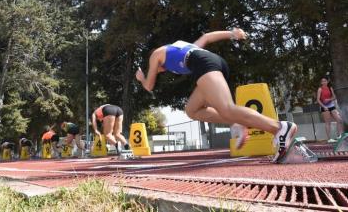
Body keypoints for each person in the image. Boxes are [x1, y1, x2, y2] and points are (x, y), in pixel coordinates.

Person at [135, 28, 298, 162]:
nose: (160, 71)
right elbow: (206, 37)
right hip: (212, 63)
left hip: (204, 65)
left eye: (157, 69)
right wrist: (232, 34)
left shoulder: (157, 54)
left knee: (227, 108)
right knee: (192, 110)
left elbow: (149, 86)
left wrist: (142, 78)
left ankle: (279, 128)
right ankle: (237, 122)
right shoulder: (182, 48)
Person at [316, 77, 343, 142]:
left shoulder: (330, 88)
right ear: (321, 83)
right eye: (322, 81)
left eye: (325, 81)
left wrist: (329, 99)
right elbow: (318, 100)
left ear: (327, 82)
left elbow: (334, 97)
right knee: (328, 122)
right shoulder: (320, 89)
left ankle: (339, 136)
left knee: (339, 120)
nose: (324, 82)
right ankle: (329, 139)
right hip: (324, 106)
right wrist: (323, 106)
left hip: (331, 105)